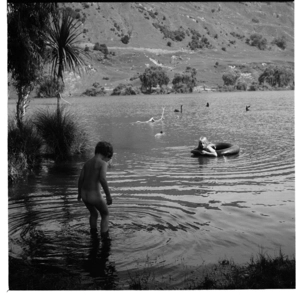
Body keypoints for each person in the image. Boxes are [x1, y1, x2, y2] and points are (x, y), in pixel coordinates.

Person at [78, 141, 114, 239]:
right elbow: (102, 179)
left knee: (93, 213)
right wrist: (108, 195)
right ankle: (104, 237)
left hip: (84, 195)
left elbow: (81, 179)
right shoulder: (102, 163)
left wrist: (79, 194)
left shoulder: (87, 163)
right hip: (94, 196)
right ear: (107, 154)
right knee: (105, 214)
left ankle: (93, 233)